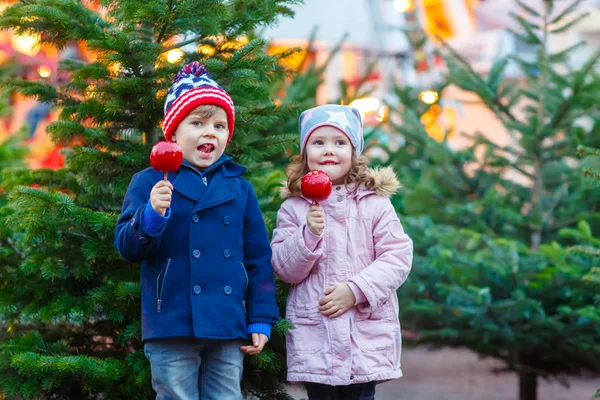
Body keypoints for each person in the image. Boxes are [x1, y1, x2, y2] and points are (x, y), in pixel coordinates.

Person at [114, 61, 278, 400]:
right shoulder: (149, 181)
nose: (210, 132)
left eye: (219, 126)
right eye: (198, 123)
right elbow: (128, 247)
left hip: (227, 320)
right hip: (172, 317)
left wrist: (260, 318)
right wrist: (152, 214)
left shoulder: (240, 188)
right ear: (172, 133)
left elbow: (258, 259)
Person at [271, 104, 413, 400]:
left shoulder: (374, 204)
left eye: (339, 143)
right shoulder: (294, 209)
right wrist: (308, 234)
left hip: (364, 337)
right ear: (304, 152)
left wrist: (356, 289)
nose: (328, 150)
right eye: (318, 142)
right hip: (316, 338)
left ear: (354, 152)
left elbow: (397, 257)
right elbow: (285, 269)